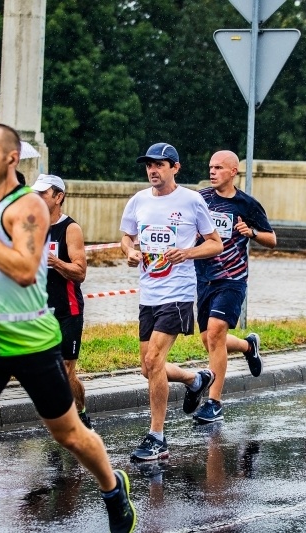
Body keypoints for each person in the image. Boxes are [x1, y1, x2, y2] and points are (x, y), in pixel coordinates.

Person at [0, 123, 136, 533]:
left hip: (30, 339)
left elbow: (23, 269)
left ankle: (111, 485)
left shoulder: (28, 207)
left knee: (69, 434)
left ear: (11, 158)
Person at [119, 142, 223, 460]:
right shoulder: (138, 201)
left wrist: (187, 252)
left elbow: (215, 243)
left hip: (177, 294)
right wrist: (130, 251)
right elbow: (126, 236)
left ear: (174, 168)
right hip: (148, 293)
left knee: (154, 362)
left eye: (159, 165)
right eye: (149, 165)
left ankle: (157, 437)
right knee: (147, 368)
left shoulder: (191, 201)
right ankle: (196, 379)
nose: (153, 170)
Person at [192, 150, 276, 424]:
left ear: (233, 172)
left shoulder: (247, 205)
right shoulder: (200, 199)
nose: (212, 171)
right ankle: (248, 346)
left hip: (232, 279)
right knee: (208, 340)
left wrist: (250, 232)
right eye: (210, 167)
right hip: (203, 278)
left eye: (218, 167)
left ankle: (214, 401)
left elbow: (272, 239)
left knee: (215, 333)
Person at [31, 173, 93, 429]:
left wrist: (56, 263)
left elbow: (80, 272)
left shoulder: (70, 228)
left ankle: (74, 418)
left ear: (58, 197)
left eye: (42, 194)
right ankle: (77, 413)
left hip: (68, 308)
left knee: (65, 368)